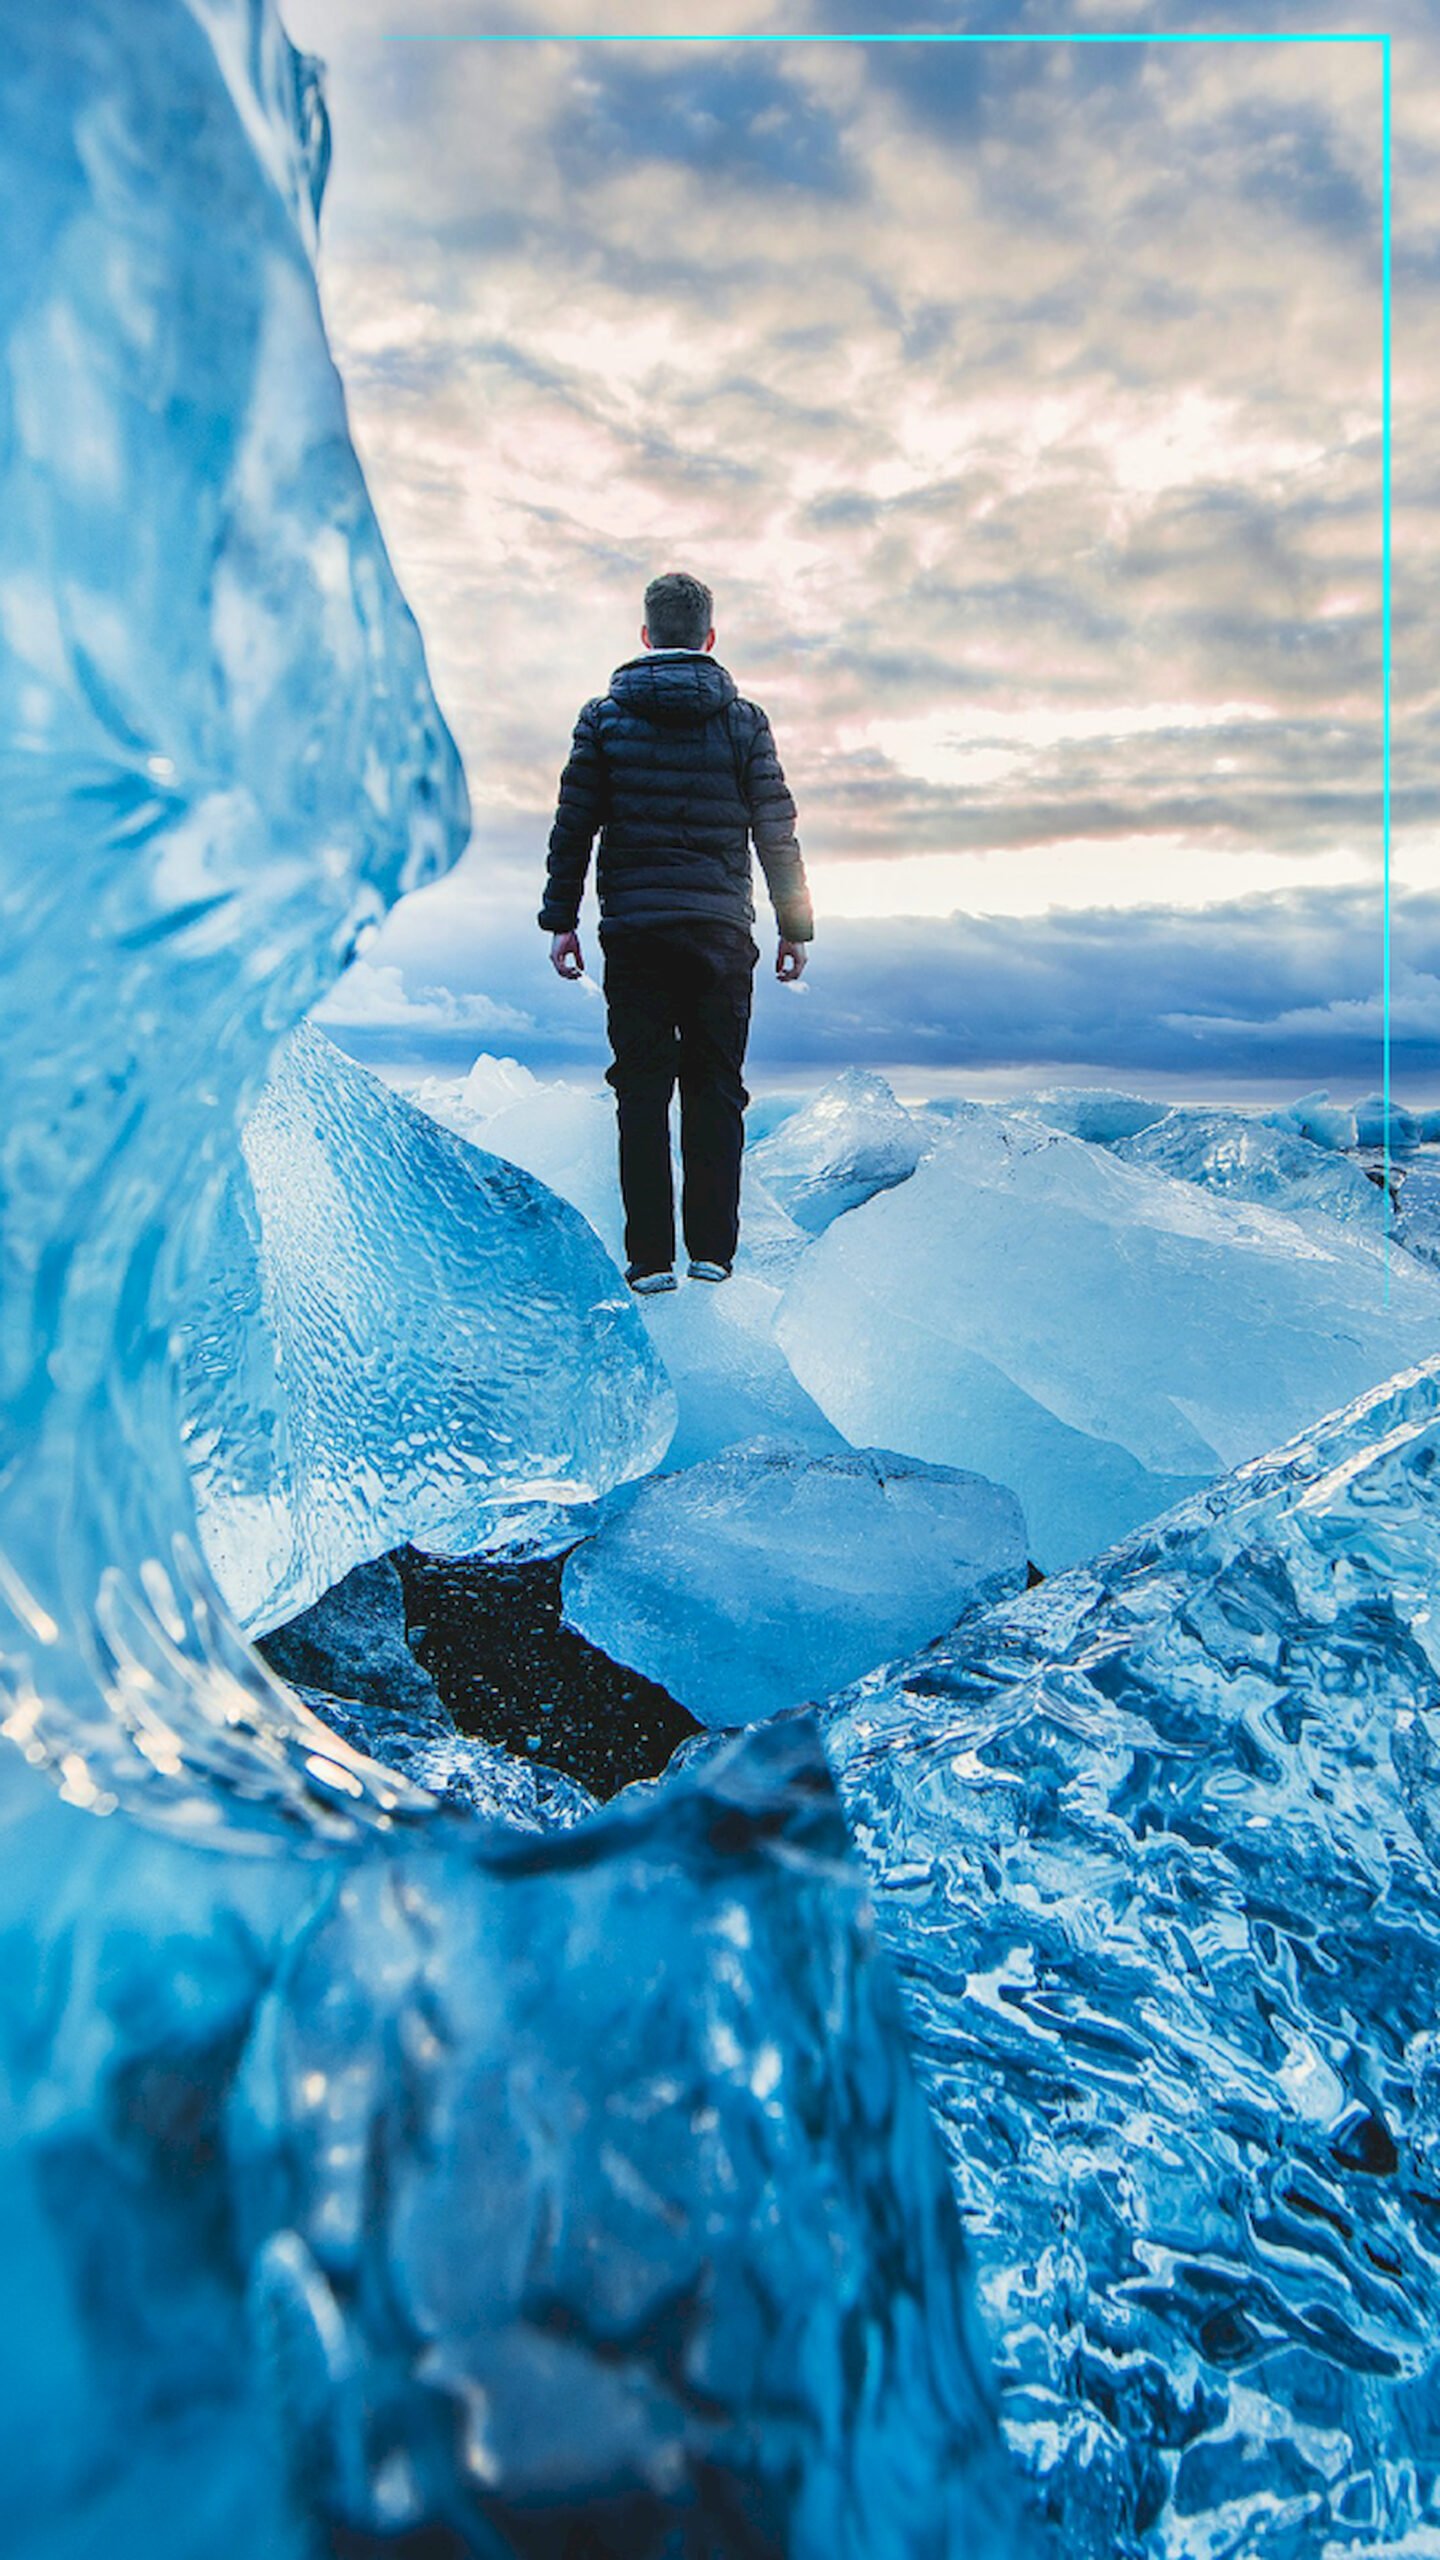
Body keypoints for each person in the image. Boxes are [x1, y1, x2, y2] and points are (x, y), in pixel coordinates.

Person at [539, 571, 814, 1294]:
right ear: (710, 637)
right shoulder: (744, 721)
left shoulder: (603, 719)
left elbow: (575, 828)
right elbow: (775, 829)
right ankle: (713, 1253)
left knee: (641, 1091)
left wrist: (561, 920)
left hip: (634, 932)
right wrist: (795, 925)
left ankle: (650, 1260)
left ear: (646, 634)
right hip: (722, 932)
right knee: (716, 1087)